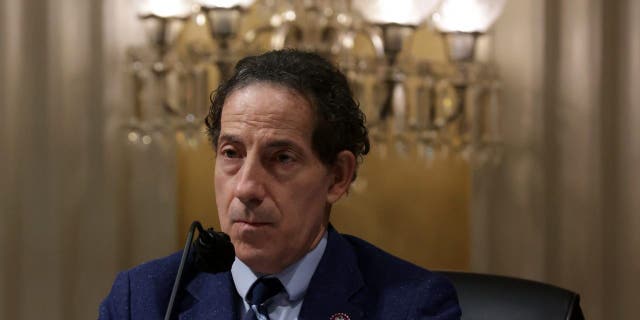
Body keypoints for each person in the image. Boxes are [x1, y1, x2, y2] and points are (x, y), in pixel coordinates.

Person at [99, 49, 461, 320]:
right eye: (231, 153)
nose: (246, 188)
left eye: (282, 158)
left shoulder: (413, 306)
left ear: (338, 177)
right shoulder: (145, 300)